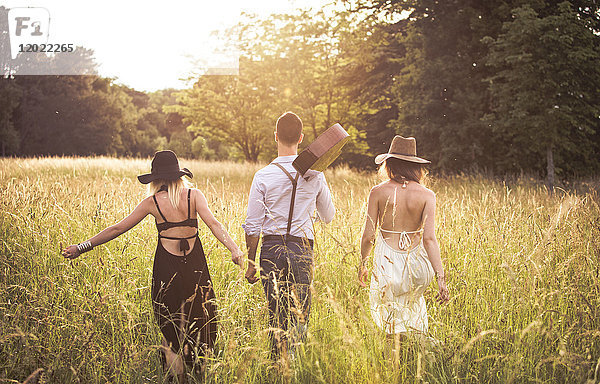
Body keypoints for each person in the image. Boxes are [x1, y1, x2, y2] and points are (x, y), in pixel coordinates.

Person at [61, 150, 244, 381]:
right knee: (201, 320)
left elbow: (117, 229)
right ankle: (198, 374)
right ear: (179, 175)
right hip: (195, 266)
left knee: (170, 326)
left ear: (155, 178)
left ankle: (179, 379)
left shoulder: (152, 203)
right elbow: (215, 224)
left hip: (166, 269)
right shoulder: (194, 195)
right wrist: (235, 250)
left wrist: (82, 246)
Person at [243, 112, 335, 360]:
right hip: (303, 248)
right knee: (300, 313)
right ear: (301, 138)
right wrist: (308, 214)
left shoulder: (262, 176)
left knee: (276, 314)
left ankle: (278, 365)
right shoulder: (316, 174)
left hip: (271, 249)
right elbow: (328, 215)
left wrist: (251, 263)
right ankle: (295, 364)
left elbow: (253, 227)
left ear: (275, 137)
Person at [358, 135, 449, 340]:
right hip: (416, 263)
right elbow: (429, 239)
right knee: (413, 312)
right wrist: (440, 277)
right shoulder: (427, 195)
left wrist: (363, 263)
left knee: (390, 320)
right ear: (415, 166)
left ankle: (396, 364)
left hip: (387, 264)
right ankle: (423, 356)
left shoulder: (378, 192)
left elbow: (369, 236)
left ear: (389, 164)